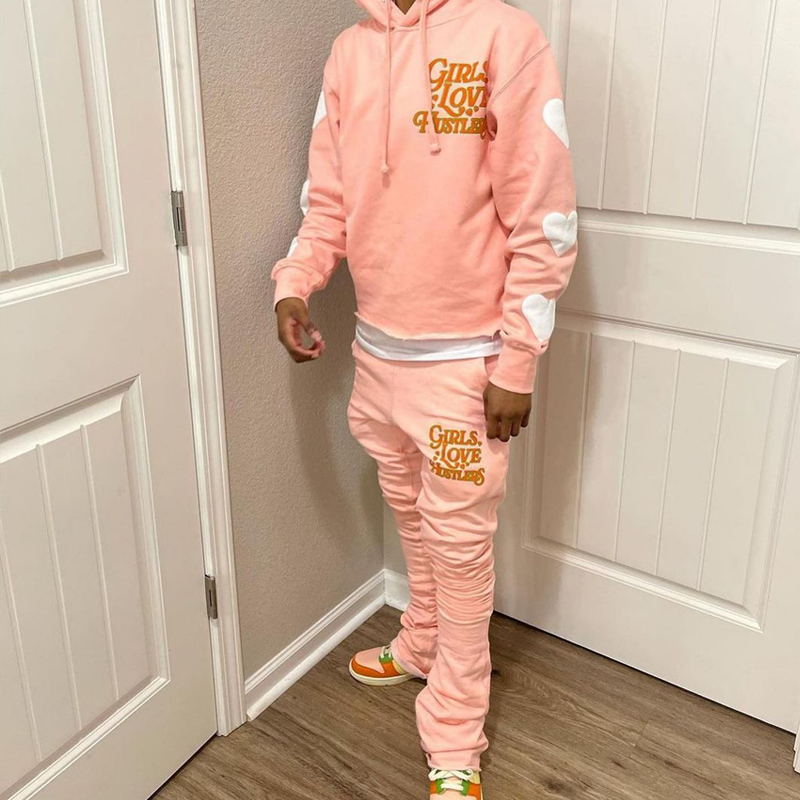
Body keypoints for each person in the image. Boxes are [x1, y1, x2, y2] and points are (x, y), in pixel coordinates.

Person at [273, 0, 577, 795]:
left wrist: (517, 362)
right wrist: (295, 284)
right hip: (377, 357)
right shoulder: (350, 52)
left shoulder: (504, 37)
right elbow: (327, 202)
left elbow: (543, 216)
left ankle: (454, 733)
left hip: (463, 370)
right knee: (408, 510)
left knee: (460, 549)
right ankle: (421, 641)